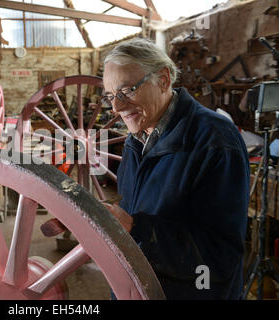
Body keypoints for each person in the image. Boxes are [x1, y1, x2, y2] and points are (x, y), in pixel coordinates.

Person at [101, 38, 250, 300]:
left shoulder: (215, 140)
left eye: (127, 92)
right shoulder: (136, 139)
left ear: (163, 80)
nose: (116, 108)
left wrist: (137, 228)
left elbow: (219, 256)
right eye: (111, 96)